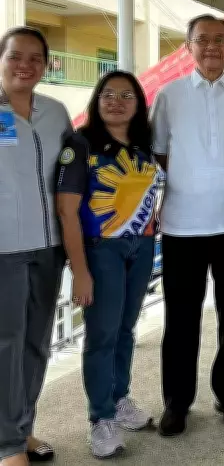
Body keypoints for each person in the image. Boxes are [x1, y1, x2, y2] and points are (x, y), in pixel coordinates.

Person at [151, 14, 224, 436]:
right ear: (188, 47)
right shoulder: (168, 96)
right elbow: (160, 153)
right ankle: (176, 402)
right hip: (183, 225)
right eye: (203, 40)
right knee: (180, 320)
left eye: (220, 40)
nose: (212, 47)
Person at [56, 71, 160, 458]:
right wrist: (80, 270)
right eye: (108, 95)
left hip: (143, 246)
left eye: (127, 95)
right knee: (101, 336)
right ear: (97, 101)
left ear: (139, 103)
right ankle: (100, 419)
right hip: (102, 250)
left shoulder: (143, 146)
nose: (117, 102)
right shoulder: (81, 145)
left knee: (126, 330)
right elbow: (67, 213)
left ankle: (119, 399)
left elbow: (148, 192)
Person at [0, 27, 72, 466]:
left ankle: (22, 429)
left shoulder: (56, 112)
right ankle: (7, 445)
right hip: (4, 248)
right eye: (15, 56)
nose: (25, 65)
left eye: (35, 58)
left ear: (45, 65)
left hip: (49, 246)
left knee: (37, 343)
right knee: (6, 343)